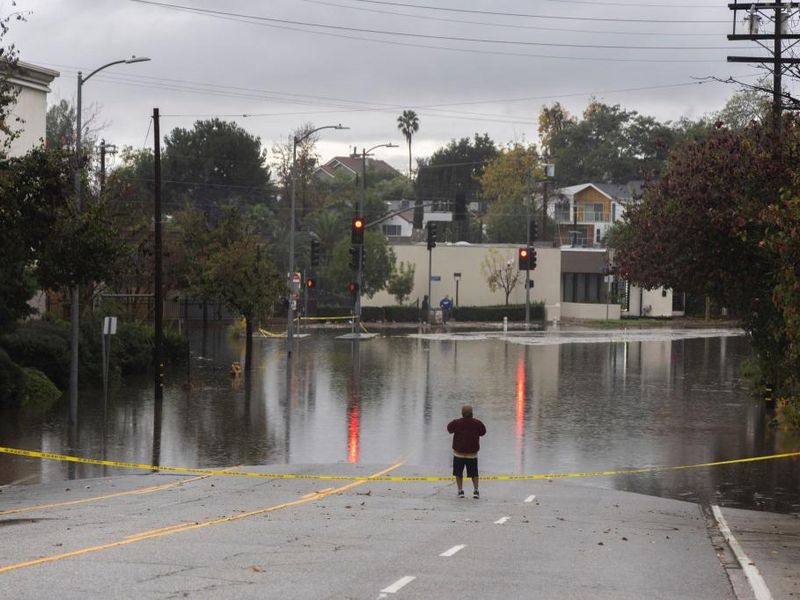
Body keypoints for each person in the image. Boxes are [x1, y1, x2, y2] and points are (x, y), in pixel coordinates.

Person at [447, 404, 486, 498]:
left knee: (458, 473)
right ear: (472, 413)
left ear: (462, 413)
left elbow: (449, 429)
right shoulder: (477, 423)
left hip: (458, 453)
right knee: (474, 473)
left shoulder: (456, 423)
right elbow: (483, 432)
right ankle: (476, 491)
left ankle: (460, 491)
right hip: (472, 454)